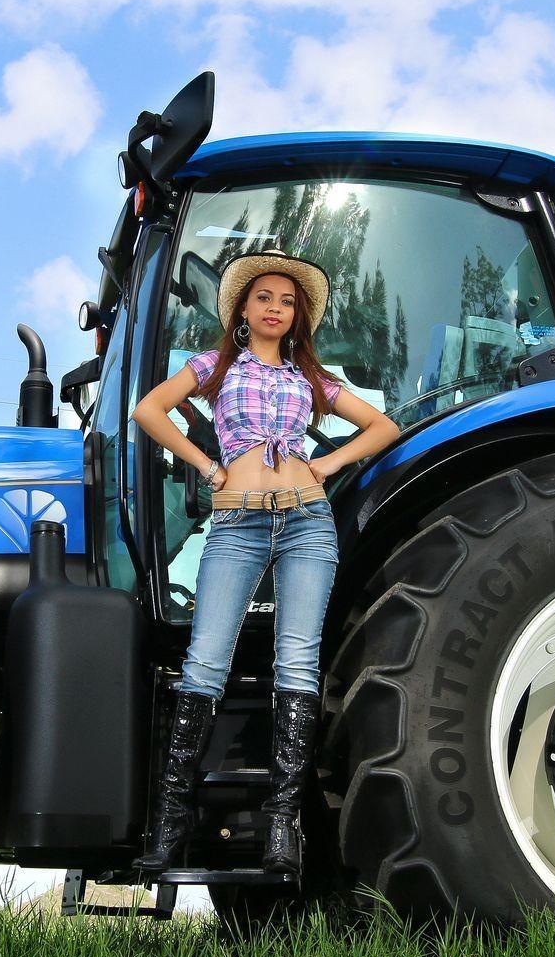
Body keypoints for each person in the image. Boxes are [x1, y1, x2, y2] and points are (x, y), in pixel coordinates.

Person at [130, 249, 400, 873]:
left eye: (288, 302)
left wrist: (326, 466)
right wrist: (205, 465)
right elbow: (148, 410)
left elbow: (381, 427)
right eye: (265, 299)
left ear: (297, 316)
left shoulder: (312, 378)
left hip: (307, 521)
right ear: (243, 310)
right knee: (206, 662)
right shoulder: (215, 366)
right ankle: (172, 824)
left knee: (298, 660)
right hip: (236, 521)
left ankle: (283, 827)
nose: (276, 308)